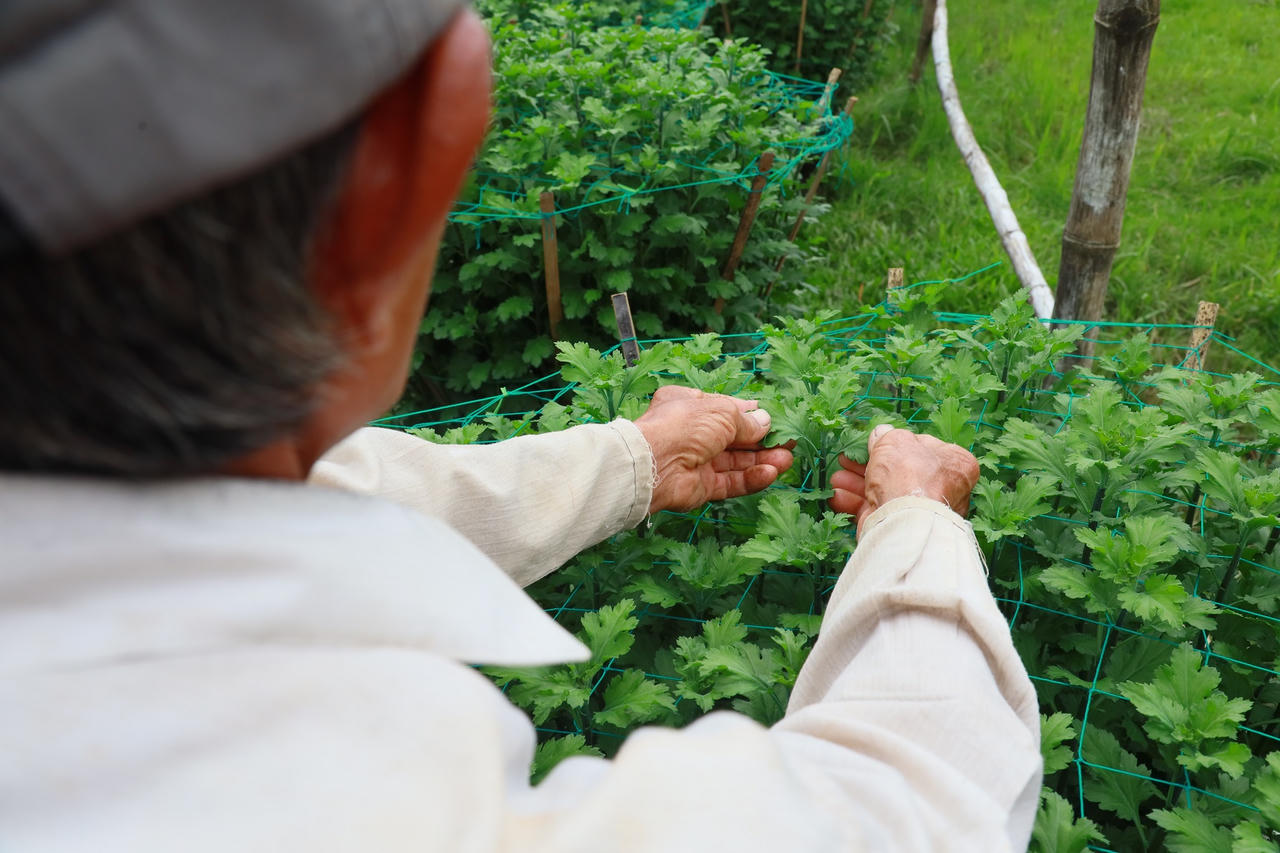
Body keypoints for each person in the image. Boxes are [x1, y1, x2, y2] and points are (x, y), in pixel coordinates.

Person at [0, 1, 1042, 850]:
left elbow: (310, 497)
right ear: (418, 157)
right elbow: (912, 808)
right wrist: (916, 525)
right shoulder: (360, 808)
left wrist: (627, 459)